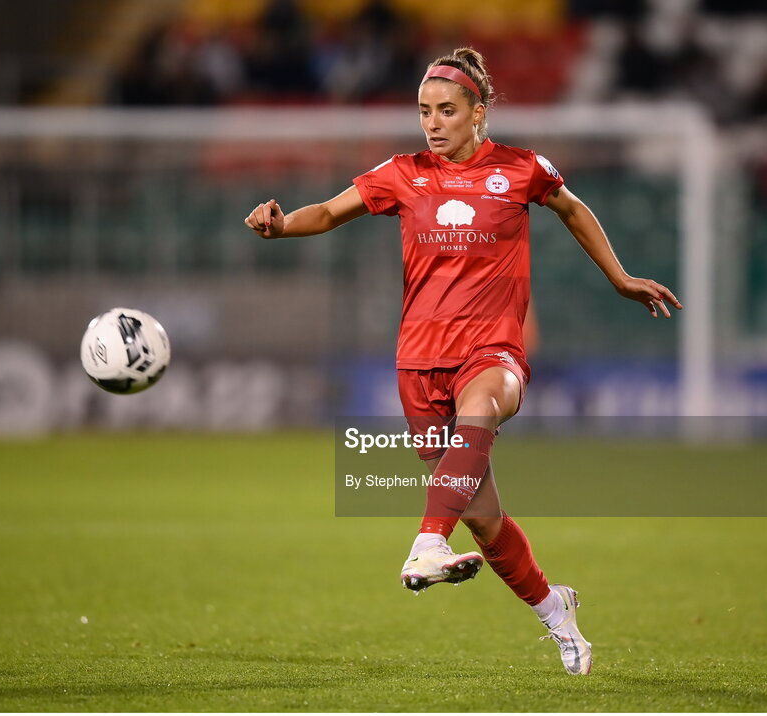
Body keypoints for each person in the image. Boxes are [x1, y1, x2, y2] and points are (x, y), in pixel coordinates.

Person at [244, 48, 682, 676]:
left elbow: (574, 209)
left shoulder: (521, 169)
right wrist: (281, 225)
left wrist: (618, 277)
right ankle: (555, 610)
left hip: (492, 349)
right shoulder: (402, 173)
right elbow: (328, 213)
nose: (433, 122)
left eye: (447, 110)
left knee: (483, 406)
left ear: (480, 111)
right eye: (424, 111)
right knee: (482, 516)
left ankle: (426, 544)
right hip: (419, 359)